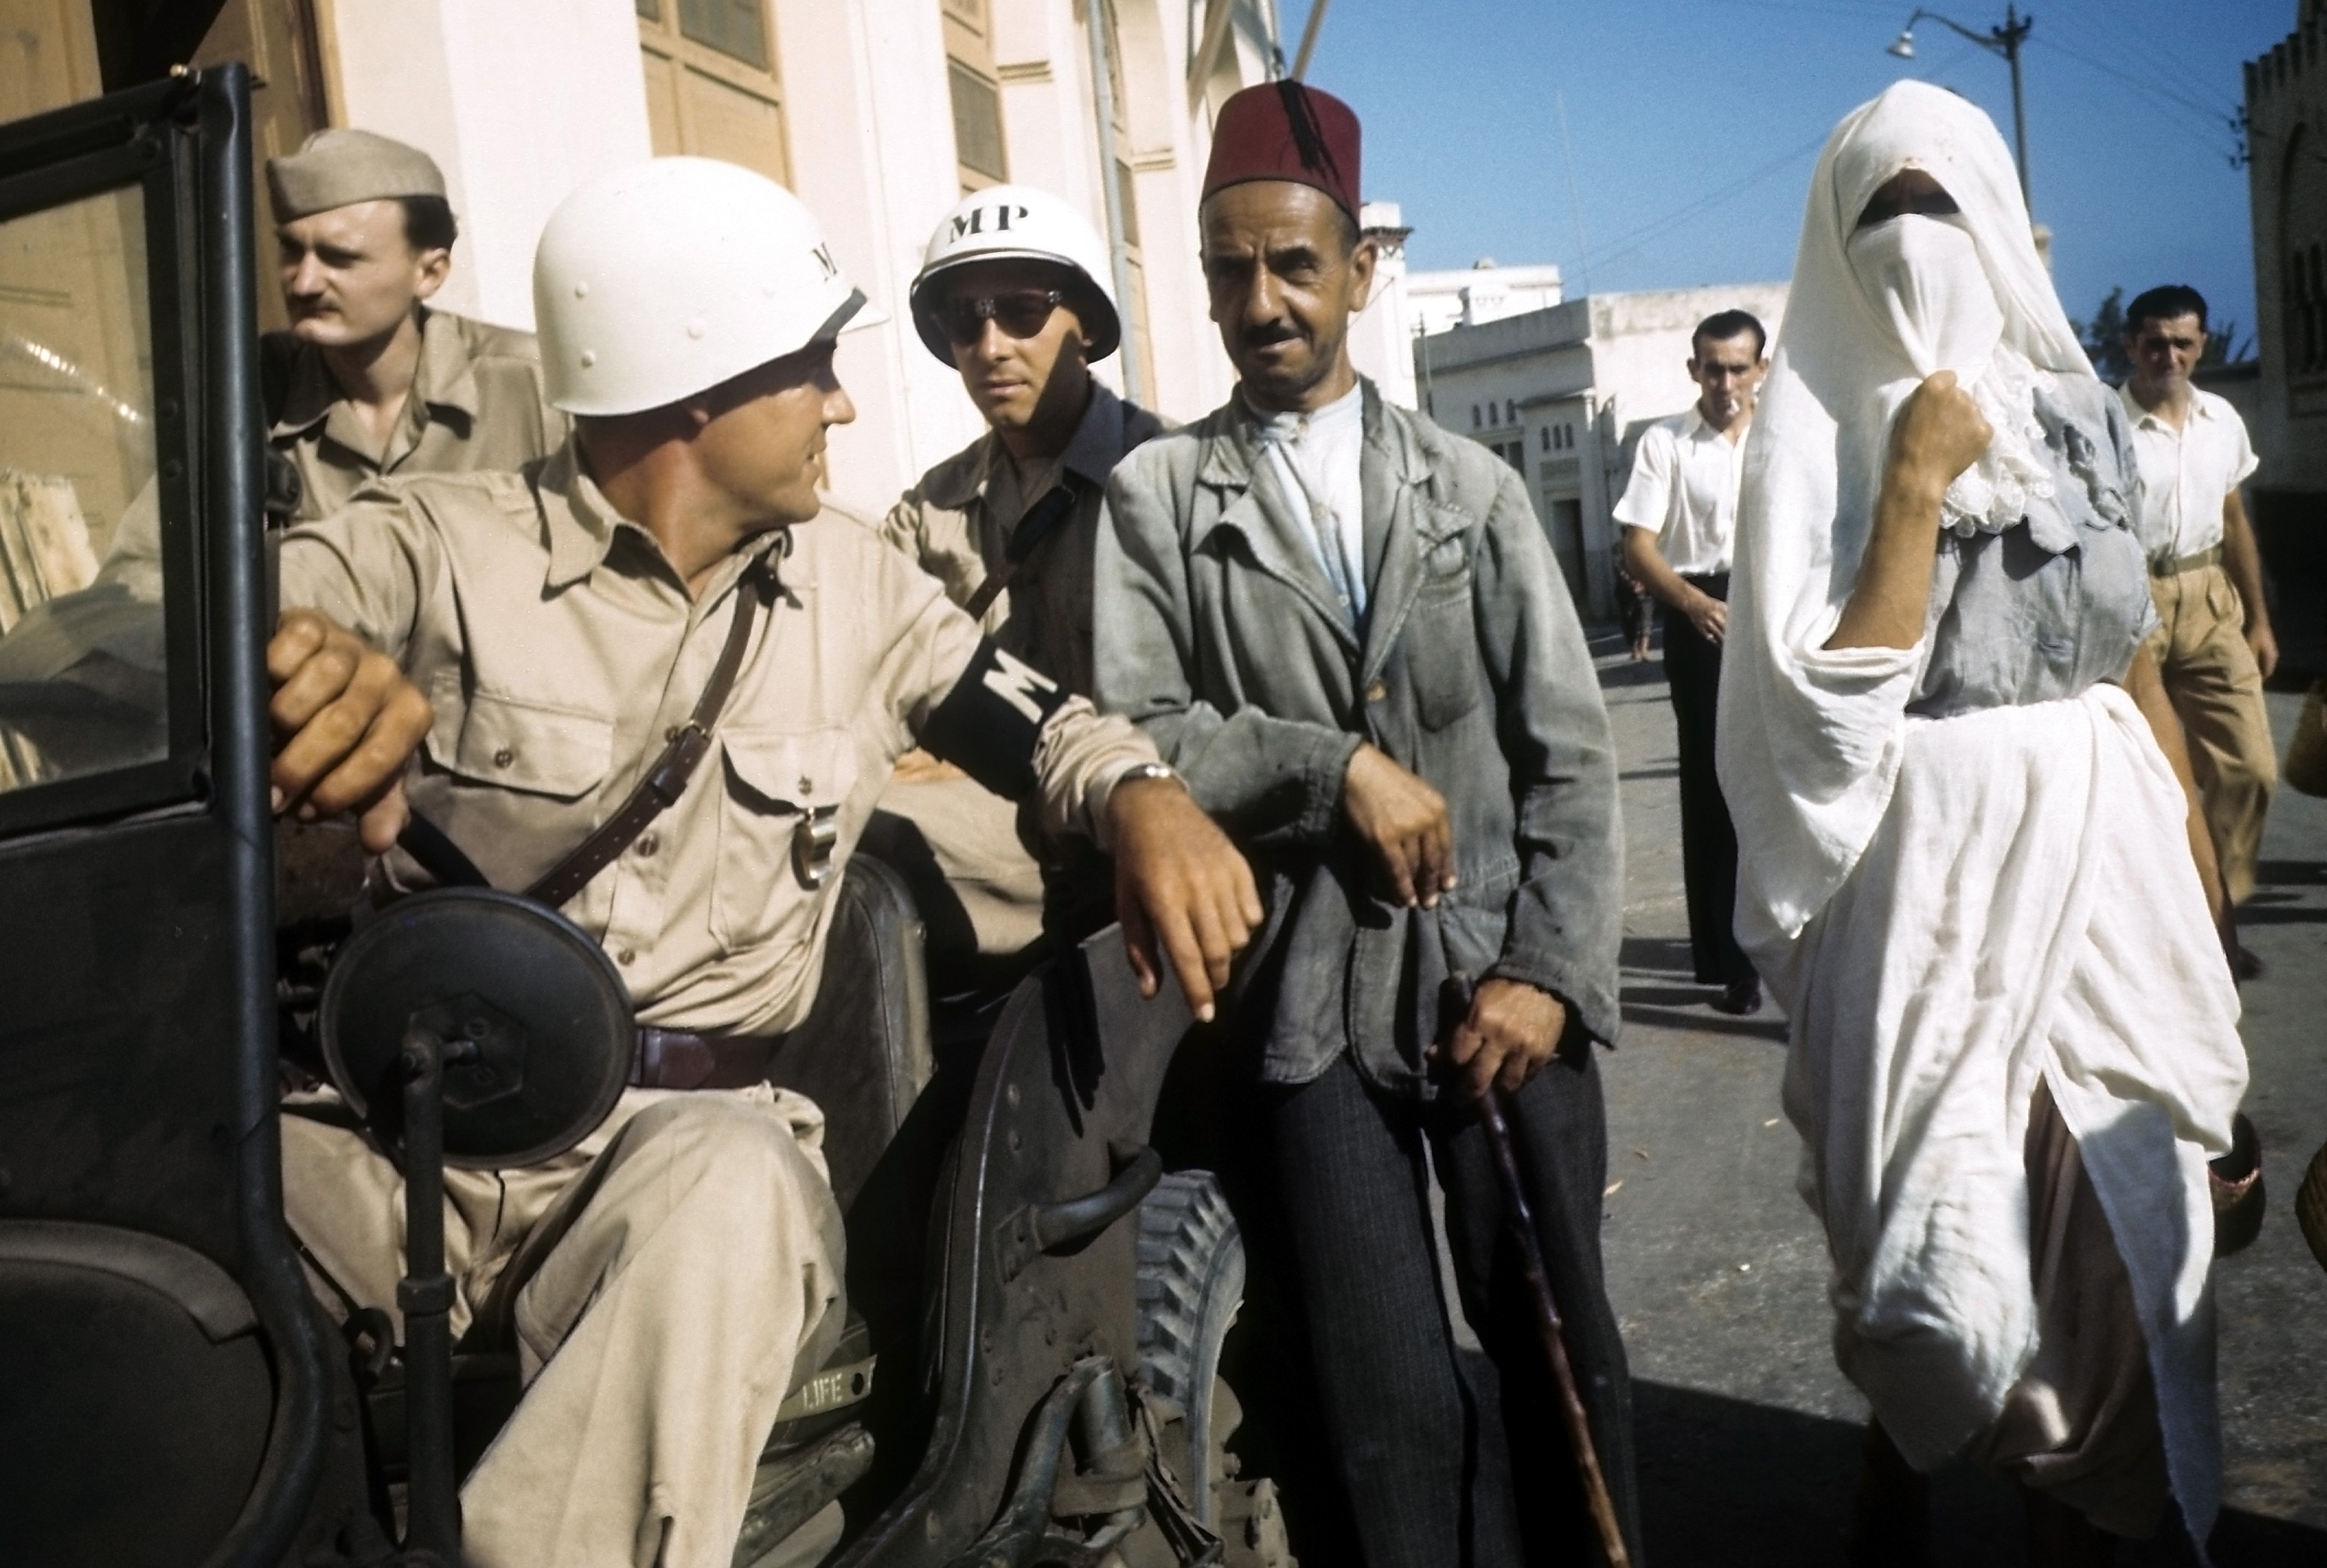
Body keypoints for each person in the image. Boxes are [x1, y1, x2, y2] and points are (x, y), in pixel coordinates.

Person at [262, 155, 1259, 1568]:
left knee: (730, 1190)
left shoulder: (852, 585)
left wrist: (1145, 793)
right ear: (700, 390)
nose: (846, 403)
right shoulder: (439, 548)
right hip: (398, 1137)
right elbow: (193, 644)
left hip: (683, 1157)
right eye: (814, 367)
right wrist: (284, 675)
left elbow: (1044, 728)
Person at [1095, 81, 1639, 1568]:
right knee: (1384, 1394)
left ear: (1358, 271)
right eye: (1229, 271)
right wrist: (1329, 763)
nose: (1262, 302)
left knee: (1558, 1365)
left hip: (1496, 993)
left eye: (1292, 265)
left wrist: (1546, 975)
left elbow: (1570, 756)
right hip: (1309, 1007)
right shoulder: (1156, 497)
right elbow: (1141, 737)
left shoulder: (1470, 488)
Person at [1718, 81, 2247, 1564]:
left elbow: (2138, 678)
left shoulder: (2083, 423)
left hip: (2110, 885)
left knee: (2129, 1280)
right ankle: (1907, 1477)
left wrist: (2204, 928)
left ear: (2002, 226)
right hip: (1921, 911)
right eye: (1880, 213)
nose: (1914, 241)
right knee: (1940, 1301)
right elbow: (1825, 729)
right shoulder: (1810, 440)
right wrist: (1911, 483)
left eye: (1941, 207)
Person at [873, 184, 1166, 972]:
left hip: (1137, 829)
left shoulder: (1173, 487)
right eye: (965, 319)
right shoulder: (928, 511)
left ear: (1087, 324)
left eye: (1023, 309)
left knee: (877, 835)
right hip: (995, 839)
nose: (992, 343)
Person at [264, 127, 565, 519]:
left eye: (339, 257)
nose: (304, 283)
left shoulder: (536, 387)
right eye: (291, 250)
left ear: (430, 274)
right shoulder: (249, 393)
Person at [1614, 311, 1769, 1014]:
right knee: (1713, 785)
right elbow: (1638, 545)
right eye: (1712, 367)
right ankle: (1727, 958)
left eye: (1738, 367)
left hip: (1775, 611)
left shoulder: (1785, 437)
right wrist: (1688, 602)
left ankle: (1796, 943)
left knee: (1787, 780)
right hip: (1699, 614)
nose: (1725, 382)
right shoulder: (1665, 444)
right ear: (1693, 371)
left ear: (1760, 370)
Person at [2118, 283, 2278, 920]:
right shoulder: (2107, 422)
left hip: (2209, 595)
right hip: (2135, 598)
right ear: (2130, 346)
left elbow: (2234, 522)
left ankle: (2221, 909)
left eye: (2182, 343)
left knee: (2249, 768)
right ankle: (2158, 920)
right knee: (2146, 777)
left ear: (2201, 345)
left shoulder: (2222, 422)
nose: (2168, 356)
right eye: (2154, 344)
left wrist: (2259, 620)